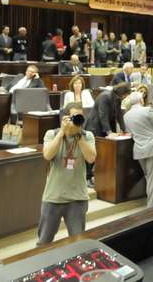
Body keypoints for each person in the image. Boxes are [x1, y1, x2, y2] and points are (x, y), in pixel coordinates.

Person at [38, 102, 96, 244]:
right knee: (44, 242)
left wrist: (78, 135)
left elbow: (91, 157)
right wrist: (62, 132)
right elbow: (48, 155)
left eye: (80, 117)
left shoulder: (87, 136)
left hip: (77, 198)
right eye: (73, 117)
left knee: (78, 242)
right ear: (64, 118)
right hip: (53, 197)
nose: (77, 120)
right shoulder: (51, 134)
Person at [123, 92, 153, 208]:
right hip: (152, 147)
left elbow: (130, 132)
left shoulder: (126, 115)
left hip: (138, 148)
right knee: (152, 177)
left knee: (148, 175)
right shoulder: (147, 110)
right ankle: (151, 206)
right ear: (141, 100)